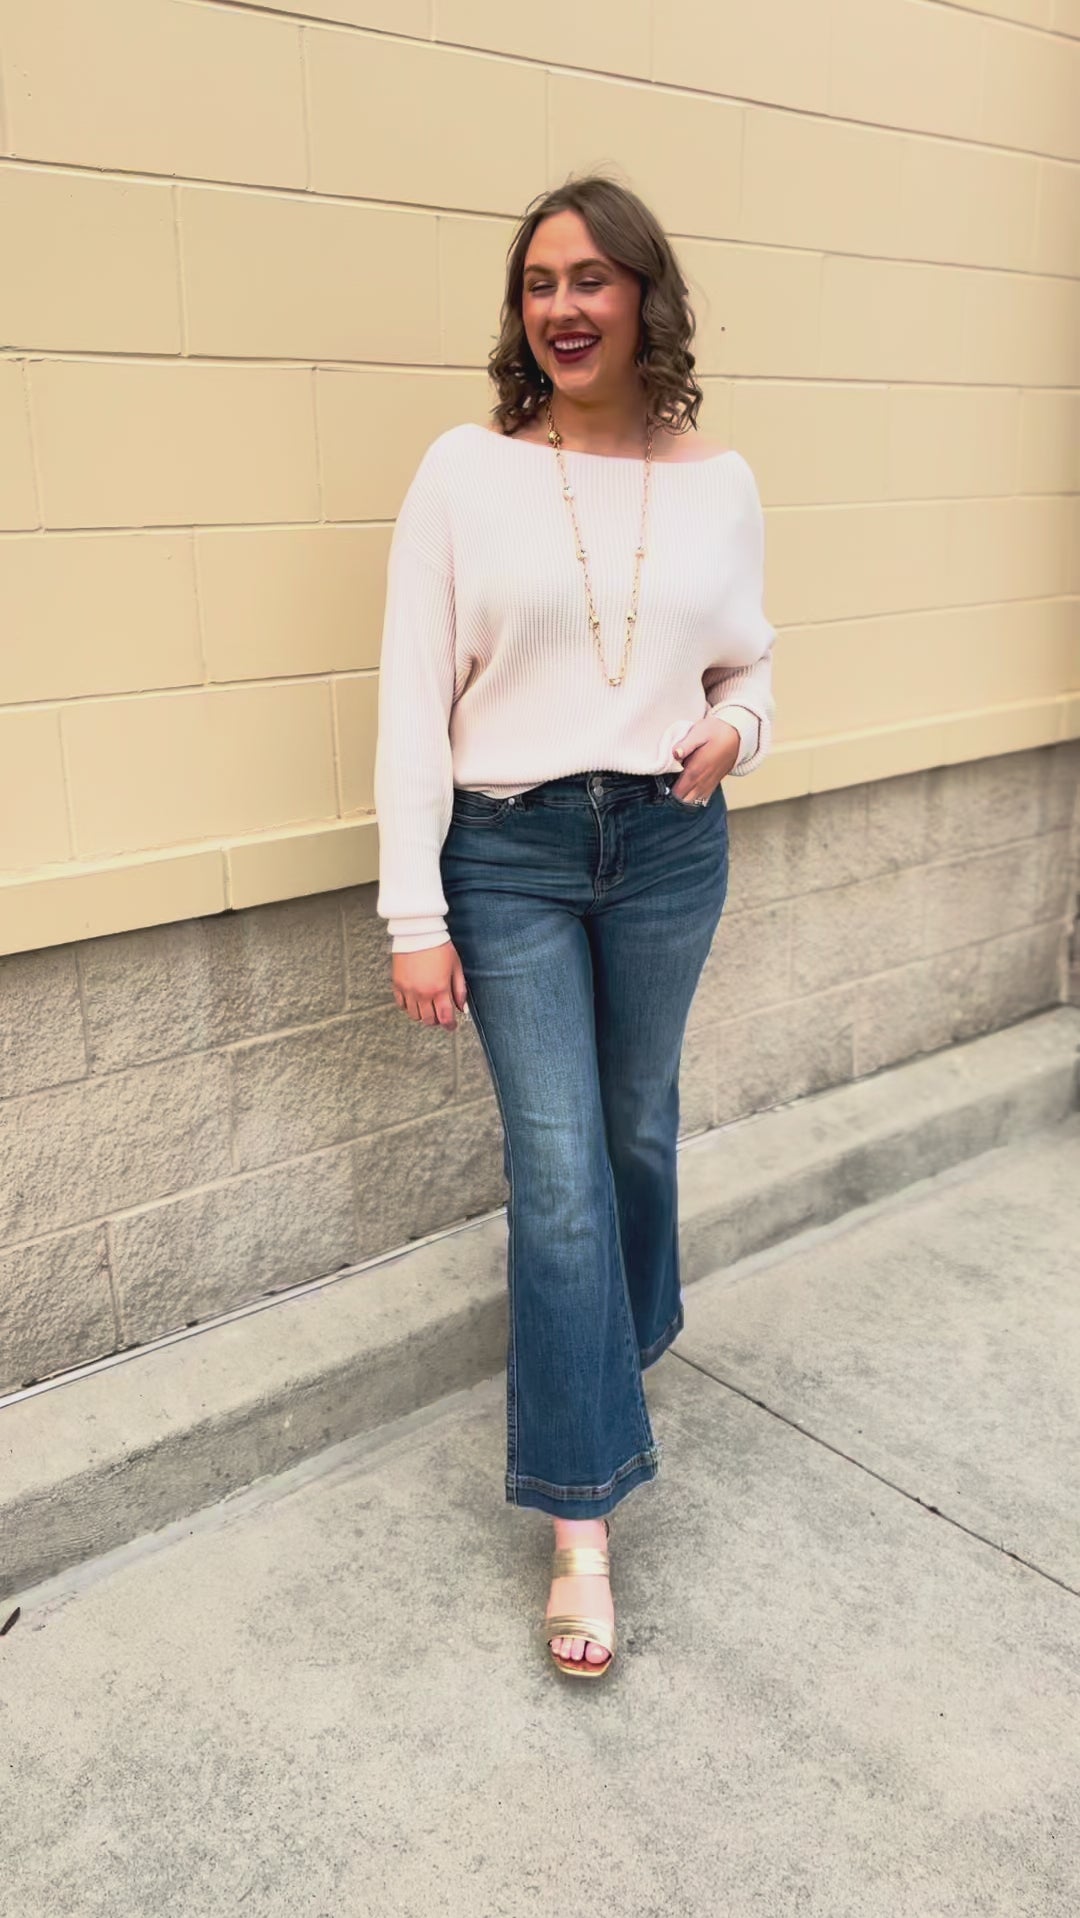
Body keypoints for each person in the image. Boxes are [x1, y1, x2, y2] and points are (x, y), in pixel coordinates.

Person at [374, 174, 776, 1680]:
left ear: (646, 296)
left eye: (592, 278)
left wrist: (744, 729)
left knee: (637, 1135)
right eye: (540, 282)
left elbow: (751, 664)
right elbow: (411, 702)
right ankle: (582, 1516)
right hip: (511, 855)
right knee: (557, 1175)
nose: (563, 306)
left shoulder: (720, 482)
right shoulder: (464, 472)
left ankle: (614, 1342)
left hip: (669, 844)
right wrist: (414, 909)